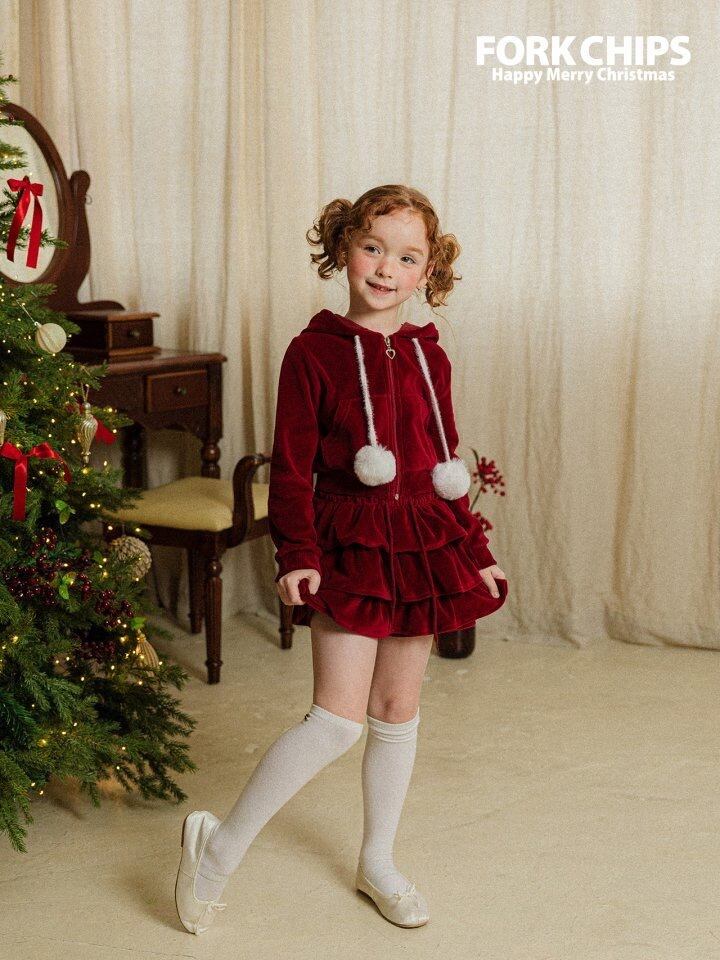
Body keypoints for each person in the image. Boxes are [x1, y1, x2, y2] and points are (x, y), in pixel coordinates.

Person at [174, 184, 508, 934]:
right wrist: (296, 552)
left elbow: (444, 462)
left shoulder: (430, 356)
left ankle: (377, 860)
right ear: (344, 249)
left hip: (420, 544)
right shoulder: (312, 352)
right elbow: (292, 468)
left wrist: (474, 550)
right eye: (373, 248)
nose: (387, 268)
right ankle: (216, 850)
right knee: (336, 719)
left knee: (397, 710)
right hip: (348, 543)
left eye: (408, 257)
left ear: (429, 271)